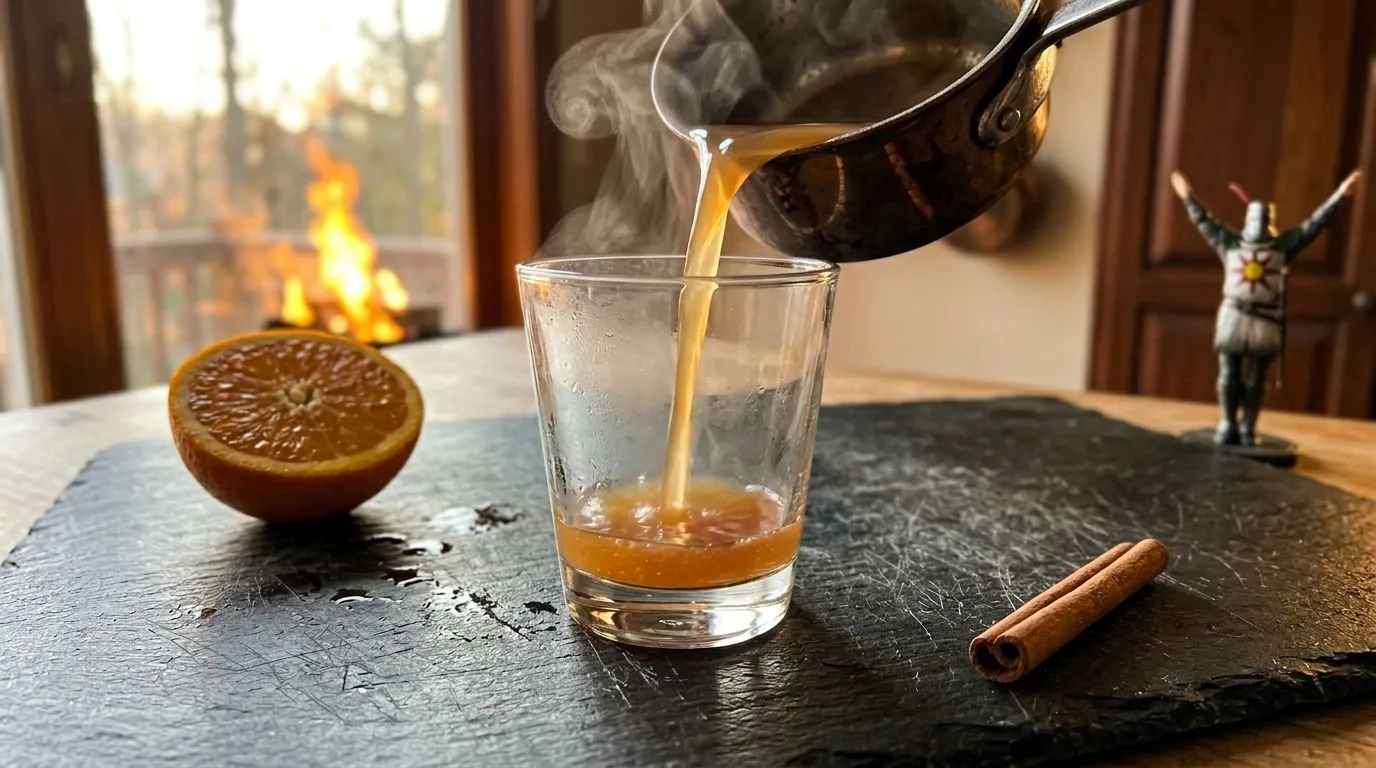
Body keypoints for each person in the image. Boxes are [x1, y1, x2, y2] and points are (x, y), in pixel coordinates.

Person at [1169, 169, 1361, 446]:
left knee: (1257, 376)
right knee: (1229, 372)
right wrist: (1187, 195)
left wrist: (1341, 195)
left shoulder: (1283, 246)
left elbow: (1316, 224)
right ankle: (1228, 422)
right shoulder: (1231, 243)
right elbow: (1203, 220)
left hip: (1264, 317)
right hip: (1234, 314)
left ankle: (1248, 427)